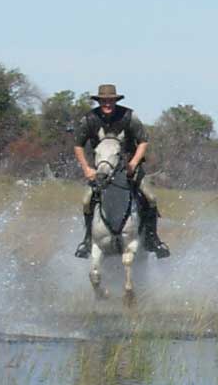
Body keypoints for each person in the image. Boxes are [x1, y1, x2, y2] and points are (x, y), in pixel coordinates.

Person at [72, 84, 169, 258]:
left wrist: (133, 163)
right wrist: (86, 168)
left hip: (129, 167)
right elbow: (78, 145)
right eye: (103, 100)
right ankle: (87, 240)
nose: (107, 103)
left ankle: (152, 239)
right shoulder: (89, 119)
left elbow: (143, 141)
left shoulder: (129, 116)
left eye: (110, 100)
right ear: (99, 101)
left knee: (151, 198)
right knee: (86, 201)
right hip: (101, 169)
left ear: (115, 101)